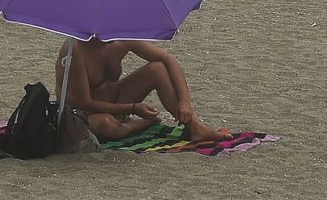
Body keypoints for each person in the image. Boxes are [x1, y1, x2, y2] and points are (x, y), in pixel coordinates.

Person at [56, 36, 226, 144]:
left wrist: (185, 102)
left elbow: (167, 59)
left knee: (157, 69)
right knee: (107, 124)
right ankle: (137, 124)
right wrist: (132, 108)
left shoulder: (122, 37)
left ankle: (193, 126)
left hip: (116, 100)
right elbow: (85, 102)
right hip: (84, 115)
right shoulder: (75, 49)